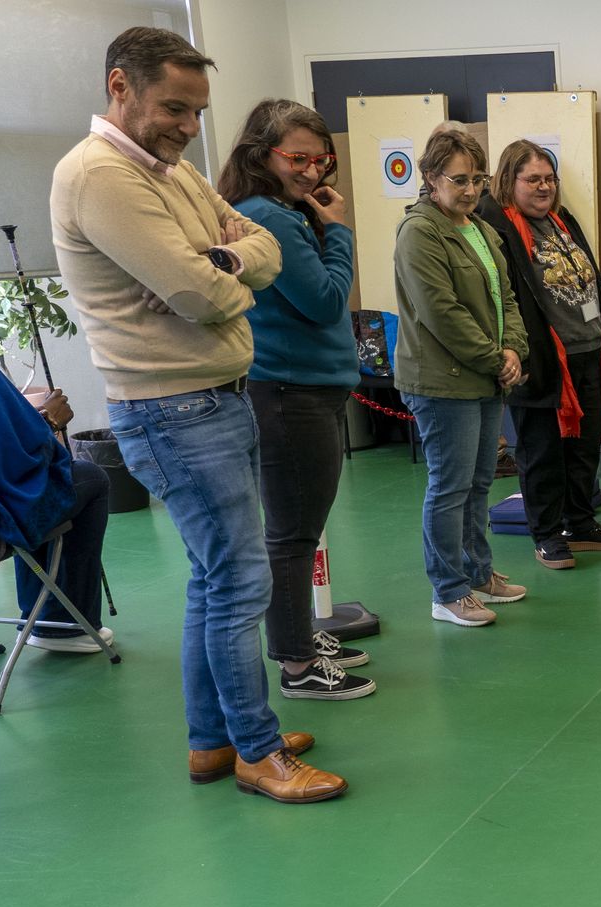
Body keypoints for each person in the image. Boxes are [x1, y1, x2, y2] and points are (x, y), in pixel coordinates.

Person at [50, 27, 341, 802]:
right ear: (121, 87)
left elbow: (256, 248)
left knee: (216, 583)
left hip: (216, 398)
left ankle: (212, 743)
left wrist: (225, 260)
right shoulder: (101, 177)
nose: (186, 126)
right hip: (172, 411)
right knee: (240, 582)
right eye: (173, 107)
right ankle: (256, 750)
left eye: (196, 112)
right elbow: (198, 296)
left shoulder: (170, 172)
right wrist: (216, 274)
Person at [218, 98, 375, 702]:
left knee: (297, 528)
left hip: (301, 390)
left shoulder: (279, 210)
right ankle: (298, 665)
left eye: (321, 159)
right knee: (291, 534)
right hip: (290, 393)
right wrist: (339, 233)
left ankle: (300, 636)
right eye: (298, 158)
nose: (312, 171)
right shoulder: (273, 218)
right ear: (264, 155)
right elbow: (328, 301)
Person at [393, 128, 529, 627]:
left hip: (486, 374)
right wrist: (497, 359)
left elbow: (506, 298)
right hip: (443, 380)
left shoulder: (480, 229)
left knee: (478, 483)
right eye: (459, 179)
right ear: (430, 178)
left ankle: (479, 575)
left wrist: (513, 347)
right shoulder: (420, 233)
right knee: (449, 487)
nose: (471, 190)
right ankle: (448, 591)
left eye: (479, 179)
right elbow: (442, 312)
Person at [480, 139, 601, 572]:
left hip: (587, 351)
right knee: (542, 450)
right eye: (533, 179)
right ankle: (546, 535)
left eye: (549, 179)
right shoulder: (497, 225)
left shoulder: (563, 219)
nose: (544, 187)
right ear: (510, 180)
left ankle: (580, 522)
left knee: (584, 445)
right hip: (542, 359)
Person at [0, 339, 112, 653]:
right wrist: (49, 420)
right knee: (83, 478)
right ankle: (60, 627)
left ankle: (47, 620)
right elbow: (16, 458)